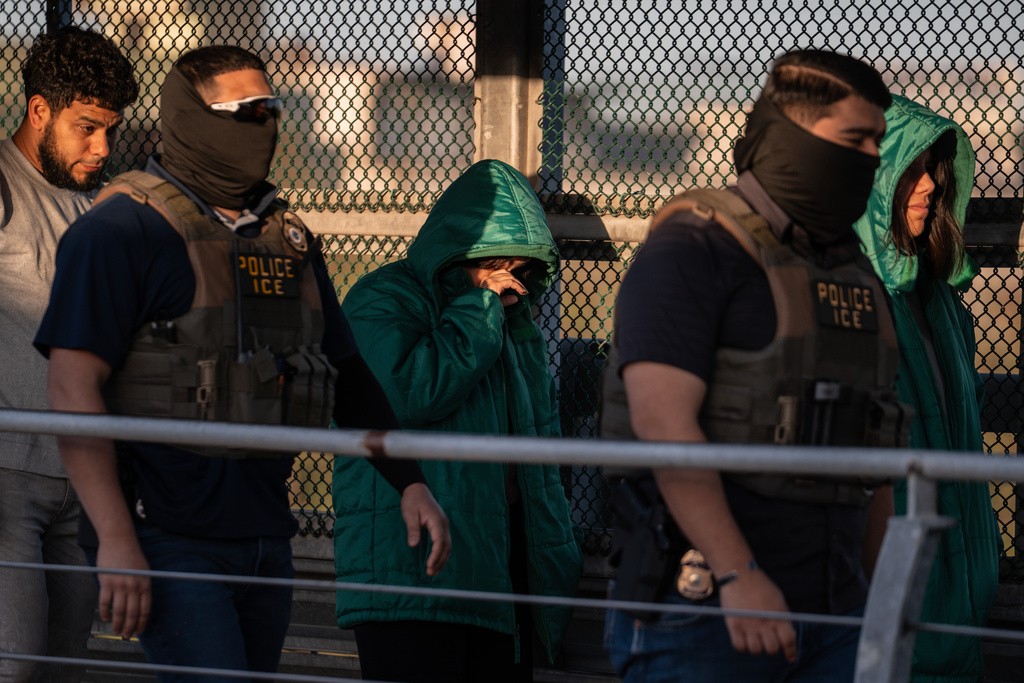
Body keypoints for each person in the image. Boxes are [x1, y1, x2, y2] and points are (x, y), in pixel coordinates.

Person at [34, 45, 450, 682]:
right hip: (166, 538)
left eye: (271, 108)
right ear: (190, 118)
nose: (263, 124)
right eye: (242, 111)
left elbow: (346, 371)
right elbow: (72, 388)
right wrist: (115, 538)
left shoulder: (286, 239)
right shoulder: (121, 233)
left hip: (264, 537)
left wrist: (411, 481)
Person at [600, 49, 907, 682]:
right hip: (706, 613)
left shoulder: (854, 272)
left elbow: (878, 447)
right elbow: (664, 423)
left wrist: (876, 599)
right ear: (791, 135)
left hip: (836, 614)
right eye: (855, 139)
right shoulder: (693, 247)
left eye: (878, 142)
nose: (871, 161)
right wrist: (739, 574)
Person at [333, 159, 583, 683]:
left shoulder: (507, 322)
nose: (504, 281)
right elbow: (408, 394)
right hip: (411, 574)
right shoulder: (384, 298)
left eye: (517, 269)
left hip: (494, 570)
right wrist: (478, 307)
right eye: (491, 265)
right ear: (453, 256)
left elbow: (538, 446)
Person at [0, 26, 137, 683]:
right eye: (87, 127)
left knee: (63, 669)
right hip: (7, 479)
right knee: (16, 662)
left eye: (110, 129)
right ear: (39, 111)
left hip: (83, 485)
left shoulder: (99, 203)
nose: (102, 146)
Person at [852, 95, 1001, 683]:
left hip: (964, 587)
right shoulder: (852, 302)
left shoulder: (942, 302)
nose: (929, 188)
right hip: (896, 583)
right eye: (909, 170)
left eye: (934, 171)